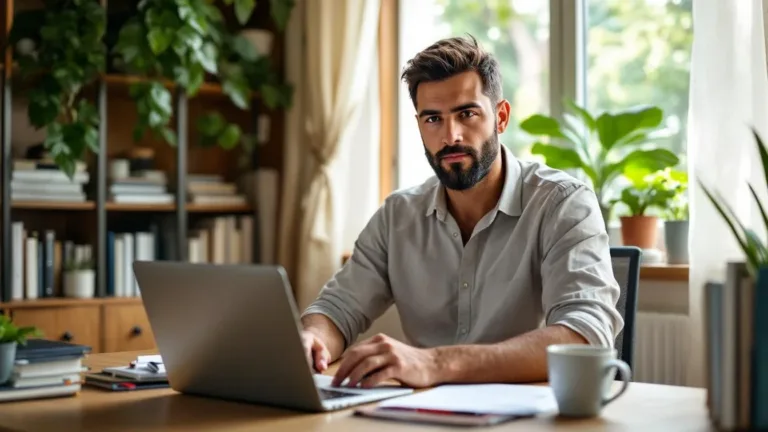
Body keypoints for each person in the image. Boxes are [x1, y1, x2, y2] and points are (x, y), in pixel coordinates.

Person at [299, 35, 623, 389]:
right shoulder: (398, 215)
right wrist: (312, 339)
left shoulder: (563, 203)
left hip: (530, 417)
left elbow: (586, 336)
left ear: (501, 117)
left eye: (466, 114)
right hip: (421, 414)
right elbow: (337, 309)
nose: (450, 135)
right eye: (433, 119)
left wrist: (437, 363)